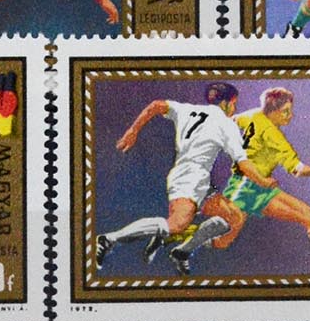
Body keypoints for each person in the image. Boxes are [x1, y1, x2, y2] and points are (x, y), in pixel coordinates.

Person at [171, 87, 310, 274]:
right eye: (285, 111)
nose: (290, 116)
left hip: (260, 188)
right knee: (225, 239)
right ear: (272, 111)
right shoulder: (275, 137)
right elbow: (297, 170)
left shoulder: (252, 115)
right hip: (246, 187)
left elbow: (231, 120)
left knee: (307, 215)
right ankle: (178, 236)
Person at [95, 81, 249, 274]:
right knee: (177, 224)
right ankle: (109, 239)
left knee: (234, 216)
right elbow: (243, 161)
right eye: (234, 104)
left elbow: (156, 105)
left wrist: (133, 131)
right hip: (189, 177)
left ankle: (182, 252)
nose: (234, 108)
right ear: (227, 103)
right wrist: (261, 179)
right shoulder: (225, 123)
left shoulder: (187, 110)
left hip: (199, 179)